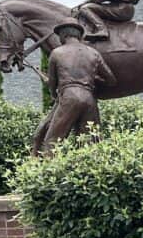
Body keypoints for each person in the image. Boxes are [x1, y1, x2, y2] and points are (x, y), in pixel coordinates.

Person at [37, 18, 116, 155]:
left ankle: (46, 173)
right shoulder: (93, 53)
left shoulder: (57, 53)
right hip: (89, 99)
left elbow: (52, 84)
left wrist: (55, 94)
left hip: (69, 97)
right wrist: (91, 78)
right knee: (91, 143)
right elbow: (111, 80)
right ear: (78, 34)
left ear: (63, 35)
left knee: (53, 141)